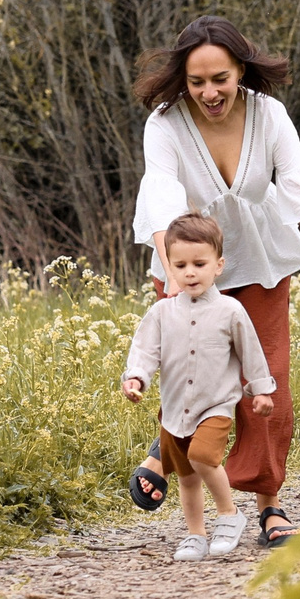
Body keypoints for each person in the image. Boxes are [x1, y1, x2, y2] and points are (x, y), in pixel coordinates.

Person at [128, 15, 300, 548]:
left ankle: (269, 505)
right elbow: (161, 197)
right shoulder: (165, 123)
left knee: (266, 380)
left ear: (240, 69)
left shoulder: (268, 114)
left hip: (261, 258)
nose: (209, 93)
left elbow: (298, 179)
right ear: (182, 78)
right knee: (189, 369)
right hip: (189, 261)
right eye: (197, 81)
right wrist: (178, 275)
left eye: (220, 79)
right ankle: (169, 447)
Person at [121, 212, 277, 561]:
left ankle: (229, 514)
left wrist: (261, 389)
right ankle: (195, 534)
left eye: (199, 263)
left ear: (218, 265)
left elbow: (250, 351)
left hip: (215, 405)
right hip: (175, 410)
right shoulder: (162, 313)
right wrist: (136, 377)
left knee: (203, 456)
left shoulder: (230, 311)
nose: (190, 272)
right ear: (170, 269)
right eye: (181, 265)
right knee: (187, 476)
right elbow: (145, 351)